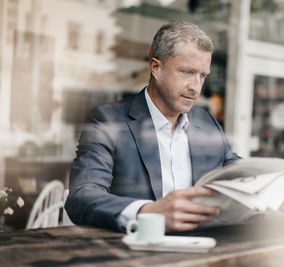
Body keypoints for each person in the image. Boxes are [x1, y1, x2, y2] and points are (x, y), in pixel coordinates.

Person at [65, 20, 240, 232]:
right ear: (156, 68)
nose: (196, 88)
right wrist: (149, 212)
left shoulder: (208, 124)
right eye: (186, 72)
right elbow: (82, 196)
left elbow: (241, 174)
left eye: (202, 75)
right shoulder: (109, 121)